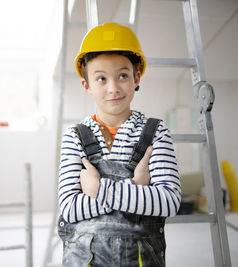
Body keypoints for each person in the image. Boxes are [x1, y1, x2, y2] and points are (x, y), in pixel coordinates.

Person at [57, 22, 181, 266]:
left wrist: (98, 190)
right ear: (87, 86)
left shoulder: (156, 132)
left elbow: (169, 201)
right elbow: (70, 208)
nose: (113, 88)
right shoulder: (74, 136)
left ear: (136, 77)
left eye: (122, 75)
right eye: (101, 79)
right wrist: (136, 187)